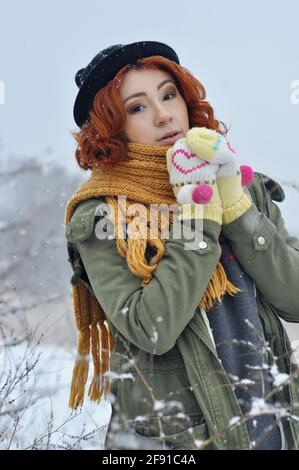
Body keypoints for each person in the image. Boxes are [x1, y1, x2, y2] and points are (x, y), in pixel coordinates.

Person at [64, 41, 299, 450]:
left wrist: (238, 210)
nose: (163, 114)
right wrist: (198, 215)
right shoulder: (104, 216)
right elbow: (152, 329)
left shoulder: (241, 185)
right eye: (137, 108)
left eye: (169, 94)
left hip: (273, 433)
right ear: (111, 127)